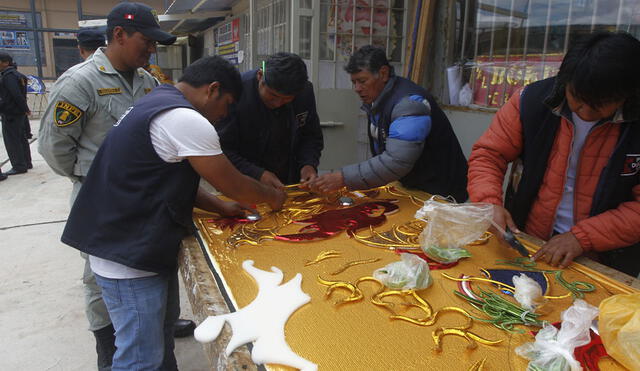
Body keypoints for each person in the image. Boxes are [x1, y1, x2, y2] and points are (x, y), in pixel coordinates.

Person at [61, 55, 285, 371]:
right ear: (213, 90)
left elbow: (163, 176)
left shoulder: (158, 101)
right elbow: (232, 183)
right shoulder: (185, 119)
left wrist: (219, 206)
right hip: (128, 253)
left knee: (159, 341)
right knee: (140, 357)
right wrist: (271, 197)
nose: (224, 115)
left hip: (132, 242)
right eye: (227, 104)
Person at [38, 3, 192, 370]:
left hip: (147, 205)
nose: (151, 49)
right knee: (103, 284)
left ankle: (157, 351)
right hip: (102, 205)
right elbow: (54, 149)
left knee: (155, 282)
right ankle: (109, 355)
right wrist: (96, 177)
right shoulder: (80, 83)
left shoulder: (148, 81)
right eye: (146, 40)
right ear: (119, 35)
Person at [467, 31, 640, 277]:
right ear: (565, 80)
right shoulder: (532, 101)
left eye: (599, 105)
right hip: (530, 241)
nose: (585, 112)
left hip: (606, 257)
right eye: (577, 99)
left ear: (627, 95)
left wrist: (582, 238)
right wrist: (488, 203)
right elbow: (488, 155)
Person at [307, 45, 468, 201]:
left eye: (362, 81)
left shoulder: (409, 104)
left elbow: (397, 161)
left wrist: (344, 178)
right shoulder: (378, 100)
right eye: (354, 82)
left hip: (442, 192)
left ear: (383, 73)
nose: (357, 88)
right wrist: (369, 182)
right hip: (416, 186)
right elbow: (384, 153)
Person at [217, 52, 323, 189]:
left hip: (289, 182)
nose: (278, 103)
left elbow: (311, 135)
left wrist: (308, 164)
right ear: (260, 76)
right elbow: (221, 149)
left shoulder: (304, 92)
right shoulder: (236, 92)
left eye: (286, 99)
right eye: (272, 95)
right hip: (242, 183)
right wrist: (258, 174)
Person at [0, 52, 32, 176]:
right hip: (18, 112)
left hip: (11, 112)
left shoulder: (8, 76)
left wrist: (25, 108)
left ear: (5, 62)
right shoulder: (17, 74)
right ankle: (26, 162)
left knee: (12, 140)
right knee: (21, 138)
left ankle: (19, 166)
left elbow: (16, 95)